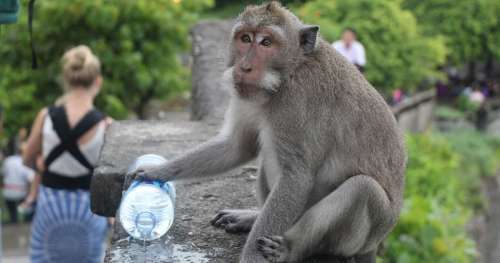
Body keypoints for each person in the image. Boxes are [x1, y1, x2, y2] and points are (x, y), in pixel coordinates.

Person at [23, 45, 112, 263]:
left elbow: (27, 159)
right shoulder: (106, 125)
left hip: (50, 209)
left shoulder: (45, 117)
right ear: (97, 82)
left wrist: (42, 164)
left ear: (66, 80)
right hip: (88, 212)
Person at [1, 143, 35, 223]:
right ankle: (24, 225)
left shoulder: (8, 160)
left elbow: (2, 175)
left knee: (13, 213)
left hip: (8, 192)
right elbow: (31, 179)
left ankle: (13, 221)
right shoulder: (25, 162)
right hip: (21, 193)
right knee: (28, 210)